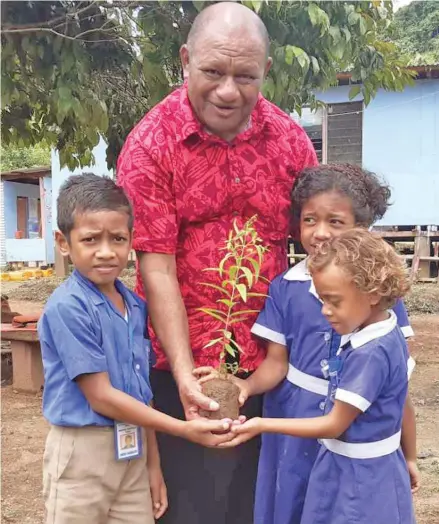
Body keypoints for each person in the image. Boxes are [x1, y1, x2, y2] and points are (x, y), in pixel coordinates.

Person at [117, 2, 318, 522]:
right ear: (185, 60)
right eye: (212, 72)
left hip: (276, 367)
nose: (228, 91)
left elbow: (317, 242)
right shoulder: (150, 145)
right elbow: (155, 267)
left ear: (265, 72)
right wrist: (186, 376)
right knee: (193, 507)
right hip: (180, 370)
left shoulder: (291, 141)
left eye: (245, 76)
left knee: (265, 503)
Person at [196, 163, 419, 524]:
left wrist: (407, 452)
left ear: (360, 228)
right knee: (295, 499)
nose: (320, 233)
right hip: (293, 412)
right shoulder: (287, 287)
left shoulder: (379, 299)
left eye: (335, 221)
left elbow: (399, 391)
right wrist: (246, 385)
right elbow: (277, 362)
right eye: (310, 220)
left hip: (351, 425)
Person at [39, 173, 237, 524]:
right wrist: (181, 428)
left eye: (117, 239)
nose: (106, 251)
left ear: (132, 241)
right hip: (83, 452)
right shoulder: (68, 307)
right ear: (63, 242)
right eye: (90, 239)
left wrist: (153, 466)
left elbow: (139, 390)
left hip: (131, 450)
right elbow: (101, 396)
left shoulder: (133, 304)